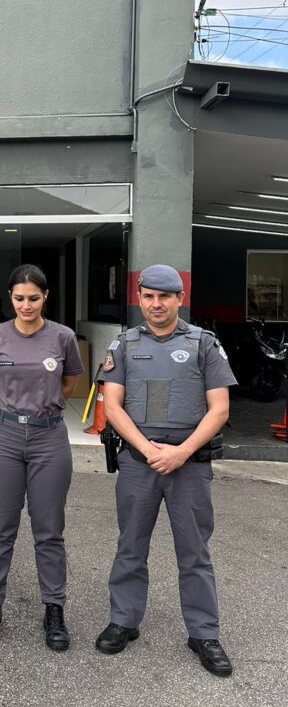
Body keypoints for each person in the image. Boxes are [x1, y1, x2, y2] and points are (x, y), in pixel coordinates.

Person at [95, 264, 237, 677]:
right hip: (139, 464)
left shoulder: (203, 344)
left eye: (165, 297)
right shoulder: (123, 345)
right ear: (140, 298)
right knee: (130, 547)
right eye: (148, 296)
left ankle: (203, 632)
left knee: (194, 553)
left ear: (179, 299)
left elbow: (220, 408)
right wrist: (146, 449)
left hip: (189, 466)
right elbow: (113, 407)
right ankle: (124, 621)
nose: (156, 304)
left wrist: (181, 451)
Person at [0, 264, 83, 648]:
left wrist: (43, 406)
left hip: (48, 437)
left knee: (49, 530)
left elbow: (68, 382)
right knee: (0, 526)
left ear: (45, 296)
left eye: (33, 298)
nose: (26, 305)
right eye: (19, 298)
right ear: (10, 297)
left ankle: (54, 608)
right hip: (4, 435)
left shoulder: (63, 337)